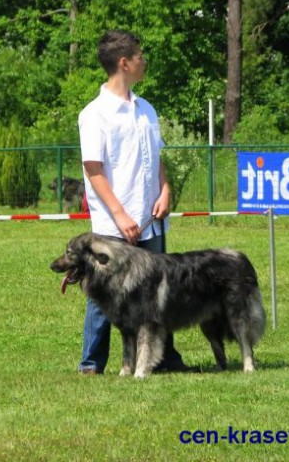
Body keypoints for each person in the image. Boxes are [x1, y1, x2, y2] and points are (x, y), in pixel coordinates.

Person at [76, 29, 193, 375]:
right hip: (114, 223)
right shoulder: (95, 114)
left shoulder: (146, 110)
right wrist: (119, 214)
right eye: (140, 56)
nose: (144, 61)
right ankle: (91, 363)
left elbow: (156, 157)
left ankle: (164, 359)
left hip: (151, 218)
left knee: (160, 291)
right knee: (106, 293)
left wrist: (166, 189)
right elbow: (94, 170)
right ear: (124, 63)